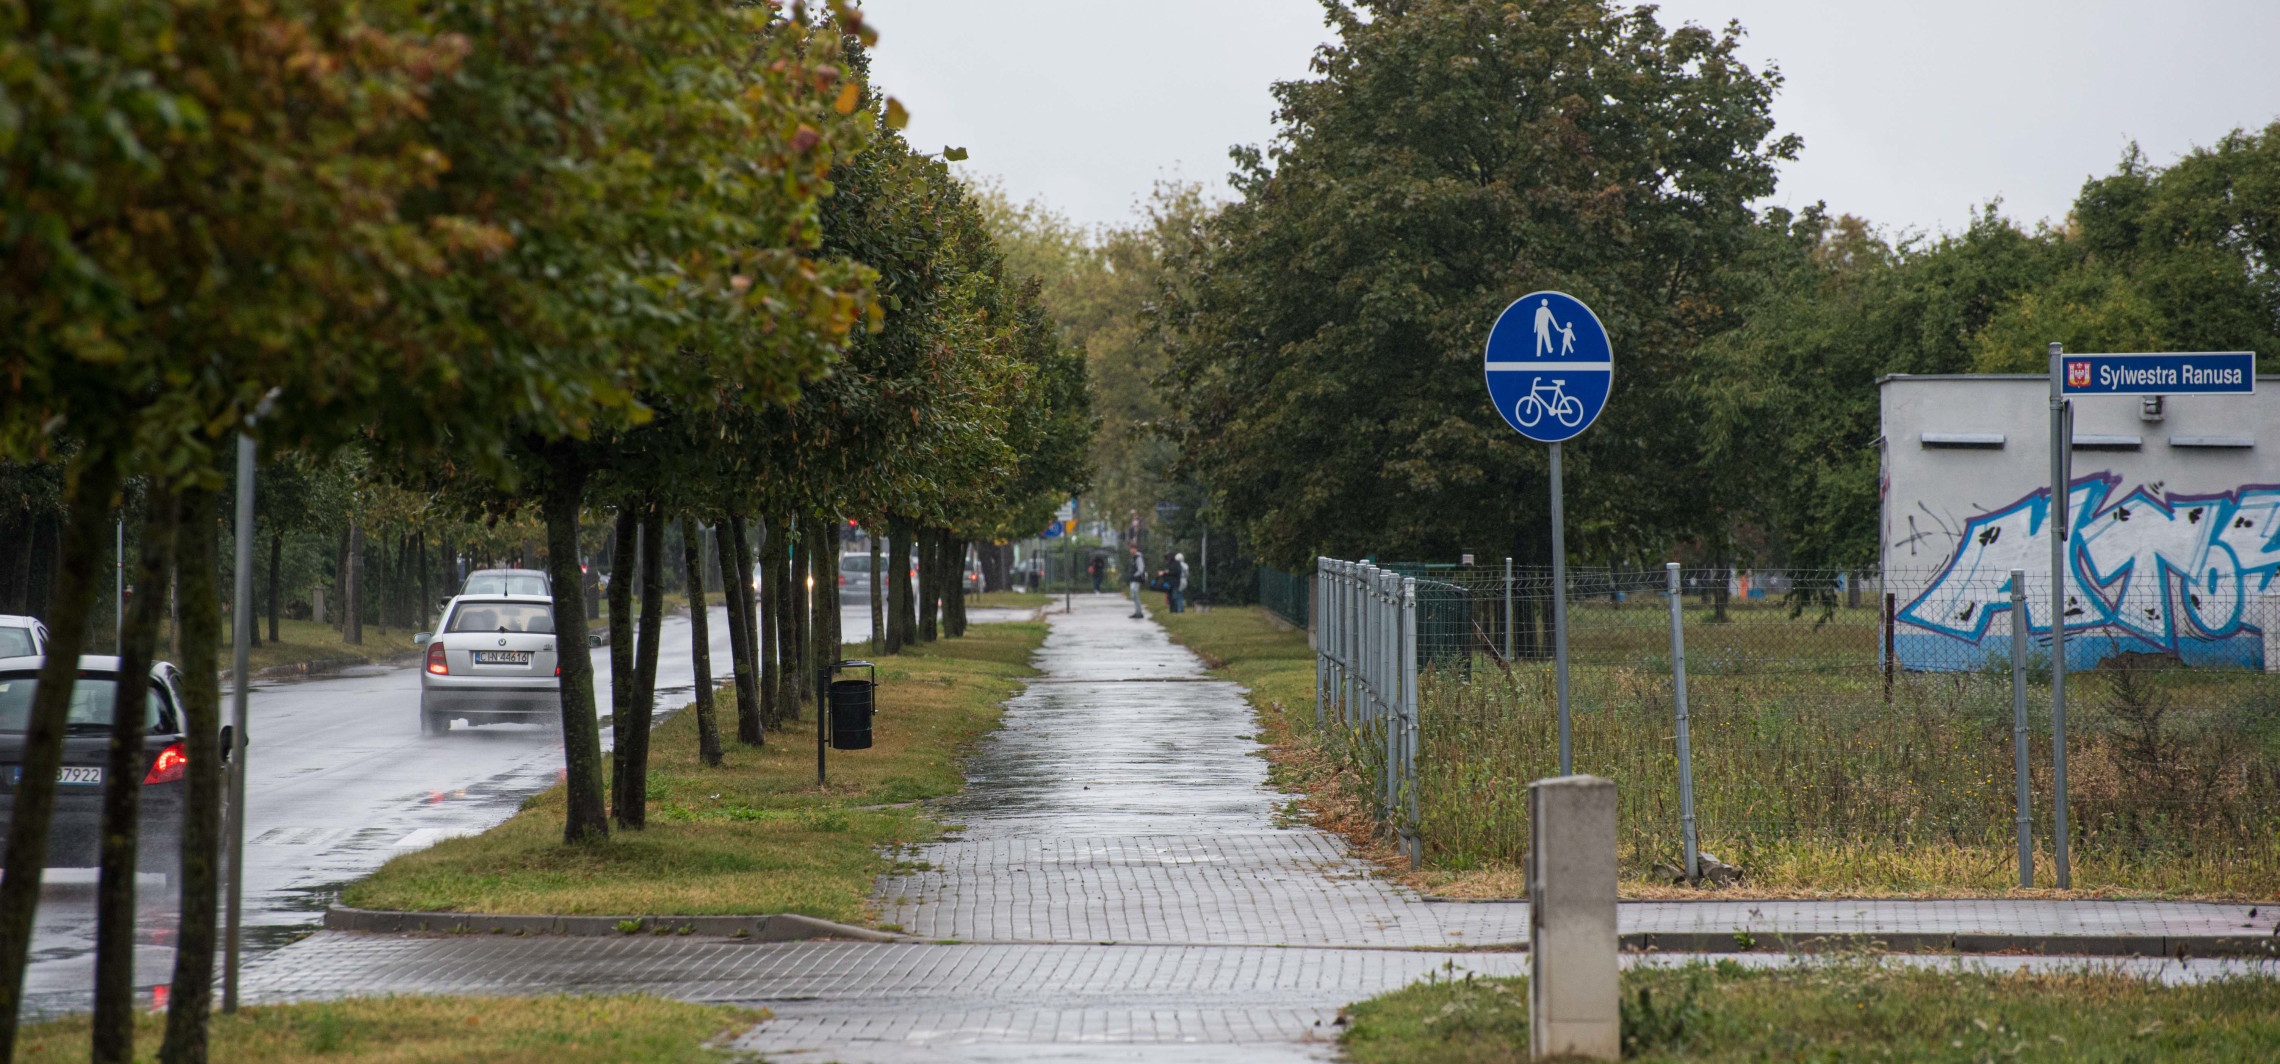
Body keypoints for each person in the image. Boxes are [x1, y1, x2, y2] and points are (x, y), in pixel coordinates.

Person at [1126, 547, 1145, 619]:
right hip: (1133, 578)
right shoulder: (1134, 557)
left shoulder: (1138, 557)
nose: (1130, 550)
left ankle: (1139, 612)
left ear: (1135, 549)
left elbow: (1141, 569)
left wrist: (1134, 575)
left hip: (1136, 579)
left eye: (1132, 549)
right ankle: (1137, 611)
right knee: (1133, 595)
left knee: (1135, 594)